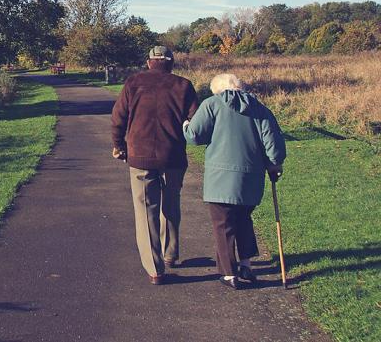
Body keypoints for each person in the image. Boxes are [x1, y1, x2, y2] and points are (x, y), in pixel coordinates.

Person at [183, 73, 286, 289]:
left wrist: (185, 125)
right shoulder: (259, 108)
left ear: (217, 90)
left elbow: (194, 136)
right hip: (251, 178)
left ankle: (229, 273)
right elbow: (273, 145)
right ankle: (246, 265)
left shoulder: (212, 104)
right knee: (243, 219)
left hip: (220, 179)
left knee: (223, 224)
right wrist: (274, 165)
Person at [111, 46, 199, 285]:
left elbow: (118, 117)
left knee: (146, 211)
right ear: (171, 63)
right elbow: (195, 121)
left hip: (140, 156)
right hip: (173, 156)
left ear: (149, 62)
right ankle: (171, 253)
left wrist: (118, 145)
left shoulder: (133, 83)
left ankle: (155, 268)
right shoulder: (184, 85)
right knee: (171, 205)